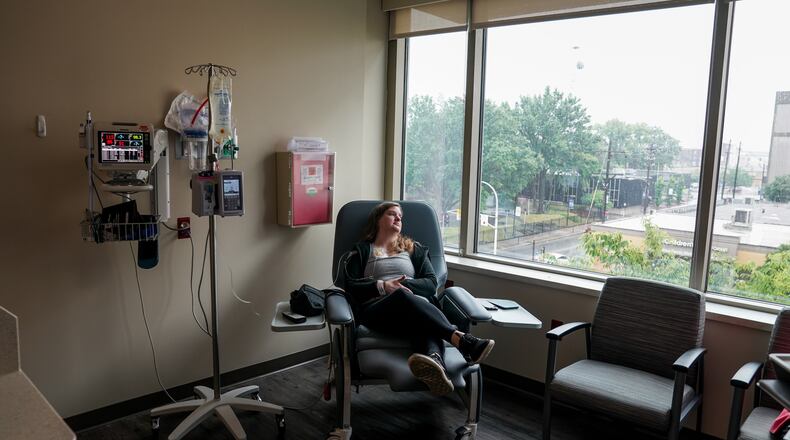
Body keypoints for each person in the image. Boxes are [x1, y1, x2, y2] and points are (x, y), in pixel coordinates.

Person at [343, 202, 494, 396]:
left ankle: (435, 365)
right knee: (404, 298)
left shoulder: (413, 250)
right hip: (377, 312)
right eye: (392, 214)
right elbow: (351, 287)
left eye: (400, 216)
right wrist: (384, 286)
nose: (398, 218)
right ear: (378, 220)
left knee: (421, 317)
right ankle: (463, 341)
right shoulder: (362, 251)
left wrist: (403, 286)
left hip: (416, 308)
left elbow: (431, 283)